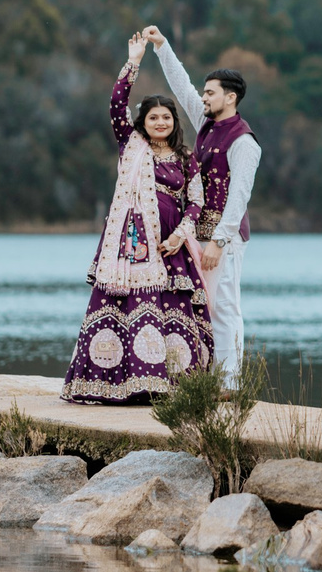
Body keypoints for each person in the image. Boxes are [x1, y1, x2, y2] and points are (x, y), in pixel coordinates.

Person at [62, 30, 215, 403]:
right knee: (126, 306)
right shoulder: (132, 145)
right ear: (142, 122)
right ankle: (119, 386)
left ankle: (174, 388)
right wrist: (133, 61)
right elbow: (116, 106)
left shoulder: (185, 156)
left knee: (174, 309)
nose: (160, 122)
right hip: (131, 244)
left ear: (174, 122)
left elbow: (196, 200)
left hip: (172, 246)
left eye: (166, 117)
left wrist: (181, 233)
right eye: (153, 117)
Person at [143, 25, 260, 387]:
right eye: (205, 92)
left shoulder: (244, 143)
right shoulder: (207, 123)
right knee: (201, 306)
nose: (203, 97)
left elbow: (239, 197)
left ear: (231, 97)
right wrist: (161, 46)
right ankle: (203, 379)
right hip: (197, 234)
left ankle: (229, 384)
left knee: (224, 306)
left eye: (211, 93)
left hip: (223, 240)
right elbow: (182, 86)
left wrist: (219, 242)